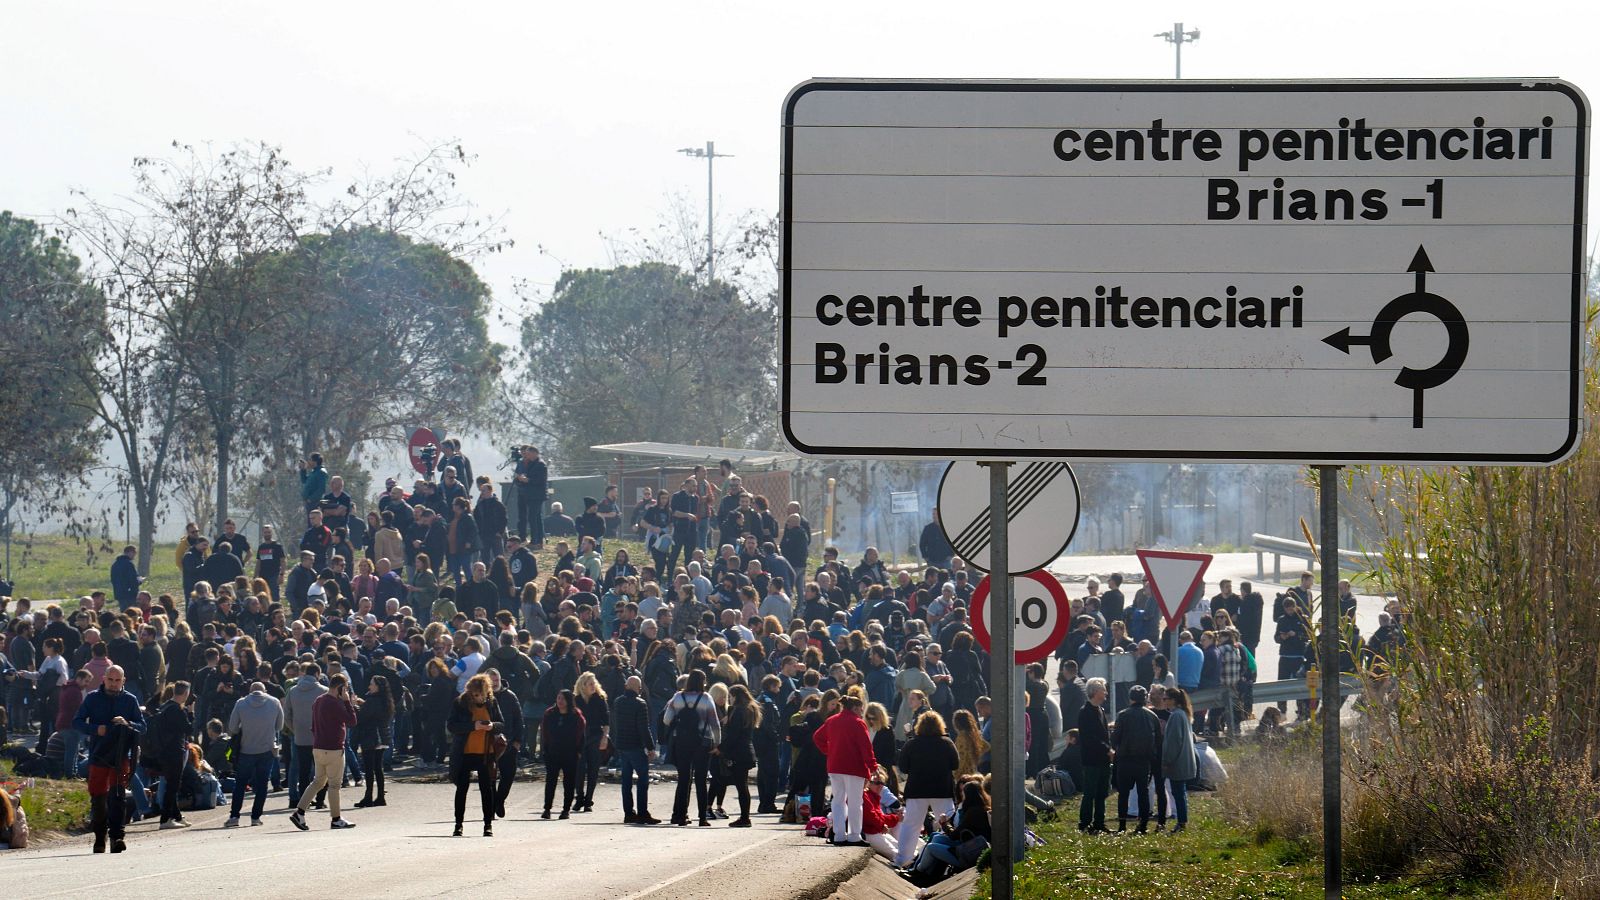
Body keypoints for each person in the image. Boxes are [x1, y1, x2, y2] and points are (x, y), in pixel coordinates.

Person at [72, 664, 146, 853]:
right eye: (110, 679)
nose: (113, 684)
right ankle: (99, 838)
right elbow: (77, 722)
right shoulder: (93, 698)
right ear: (104, 679)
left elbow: (143, 726)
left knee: (118, 797)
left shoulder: (130, 700)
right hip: (98, 755)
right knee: (98, 799)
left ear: (123, 681)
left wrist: (127, 723)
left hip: (120, 756)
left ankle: (117, 837)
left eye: (117, 680)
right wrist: (96, 729)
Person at [289, 672, 358, 832]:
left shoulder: (319, 700)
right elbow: (352, 721)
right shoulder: (335, 703)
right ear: (340, 688)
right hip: (333, 748)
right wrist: (348, 703)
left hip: (318, 747)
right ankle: (336, 819)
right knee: (334, 785)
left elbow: (313, 726)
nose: (346, 692)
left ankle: (299, 812)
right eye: (345, 689)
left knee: (318, 782)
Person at [895, 710, 960, 866]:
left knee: (911, 825)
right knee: (947, 824)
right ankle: (952, 859)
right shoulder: (947, 743)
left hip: (917, 790)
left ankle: (902, 859)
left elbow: (903, 767)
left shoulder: (912, 743)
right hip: (941, 790)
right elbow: (955, 764)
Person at [445, 673, 503, 837]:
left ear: (486, 692)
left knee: (487, 789)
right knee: (462, 789)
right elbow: (451, 726)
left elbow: (501, 724)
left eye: (478, 694)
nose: (475, 697)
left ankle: (487, 824)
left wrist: (492, 726)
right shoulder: (460, 702)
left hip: (485, 752)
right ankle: (458, 824)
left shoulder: (492, 703)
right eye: (472, 694)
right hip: (464, 752)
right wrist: (473, 726)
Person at [814, 693, 876, 847]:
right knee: (855, 802)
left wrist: (829, 751)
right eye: (861, 709)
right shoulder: (858, 723)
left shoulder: (832, 720)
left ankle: (839, 834)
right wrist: (873, 766)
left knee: (838, 801)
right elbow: (866, 748)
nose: (862, 712)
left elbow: (817, 737)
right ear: (855, 708)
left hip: (835, 766)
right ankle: (854, 835)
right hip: (854, 767)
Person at [663, 669, 721, 827]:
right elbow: (715, 723)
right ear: (703, 682)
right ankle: (702, 817)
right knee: (701, 781)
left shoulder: (677, 697)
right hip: (702, 743)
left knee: (683, 779)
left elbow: (666, 720)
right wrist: (717, 743)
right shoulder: (706, 698)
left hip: (681, 742)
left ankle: (680, 816)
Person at [225, 681, 283, 827]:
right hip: (267, 749)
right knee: (262, 785)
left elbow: (233, 728)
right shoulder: (274, 702)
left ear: (250, 691)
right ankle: (255, 817)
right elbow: (279, 726)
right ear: (265, 691)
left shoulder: (241, 703)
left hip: (246, 750)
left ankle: (234, 817)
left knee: (240, 784)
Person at [1111, 684, 1161, 834]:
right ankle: (1143, 824)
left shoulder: (1123, 715)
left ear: (1130, 698)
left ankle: (1122, 826)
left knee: (1123, 794)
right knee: (1143, 793)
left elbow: (1115, 738)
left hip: (1125, 760)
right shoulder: (1152, 716)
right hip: (1144, 761)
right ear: (1145, 698)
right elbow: (1158, 740)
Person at [153, 681, 195, 829]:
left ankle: (176, 816)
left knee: (172, 784)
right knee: (173, 786)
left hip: (163, 751)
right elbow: (189, 729)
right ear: (185, 693)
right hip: (174, 751)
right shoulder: (177, 710)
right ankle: (165, 819)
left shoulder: (164, 707)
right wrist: (191, 712)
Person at [540, 688, 585, 820]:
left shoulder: (576, 716)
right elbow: (545, 733)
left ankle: (566, 809)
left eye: (563, 699)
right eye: (558, 698)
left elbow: (581, 735)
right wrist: (546, 750)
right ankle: (547, 808)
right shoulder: (549, 714)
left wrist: (579, 752)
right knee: (551, 781)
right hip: (552, 753)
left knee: (569, 782)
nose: (560, 701)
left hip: (570, 753)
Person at [719, 683, 760, 827]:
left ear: (735, 696)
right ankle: (744, 817)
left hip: (738, 753)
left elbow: (733, 735)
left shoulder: (738, 711)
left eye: (730, 696)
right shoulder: (749, 710)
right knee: (742, 786)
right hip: (746, 751)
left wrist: (721, 748)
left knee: (741, 787)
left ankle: (744, 817)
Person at [352, 675, 395, 810]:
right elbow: (373, 713)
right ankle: (380, 796)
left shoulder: (373, 700)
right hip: (382, 736)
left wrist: (353, 705)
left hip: (371, 737)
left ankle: (368, 797)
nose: (369, 686)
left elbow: (361, 718)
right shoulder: (385, 700)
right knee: (378, 768)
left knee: (369, 768)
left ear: (377, 686)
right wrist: (363, 704)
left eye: (371, 684)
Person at [1075, 677, 1111, 834]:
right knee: (1090, 792)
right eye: (1103, 690)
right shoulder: (1085, 712)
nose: (1106, 693)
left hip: (1103, 759)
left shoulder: (1101, 711)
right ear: (1096, 692)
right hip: (1092, 759)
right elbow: (1090, 738)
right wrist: (1106, 749)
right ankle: (1085, 823)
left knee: (1102, 792)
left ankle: (1099, 822)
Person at [488, 669, 525, 819]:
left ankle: (499, 800)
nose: (495, 682)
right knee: (489, 777)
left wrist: (517, 742)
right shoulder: (483, 698)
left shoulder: (510, 696)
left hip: (508, 743)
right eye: (492, 680)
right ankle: (490, 808)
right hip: (488, 743)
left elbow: (519, 720)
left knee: (508, 775)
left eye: (496, 679)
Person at [1160, 687, 1198, 835]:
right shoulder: (1182, 714)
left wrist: (1166, 760)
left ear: (1173, 700)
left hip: (1178, 762)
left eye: (1165, 699)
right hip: (1184, 760)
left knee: (1178, 793)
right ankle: (1183, 821)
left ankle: (1182, 822)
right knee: (1179, 792)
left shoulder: (1176, 716)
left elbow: (1174, 742)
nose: (1163, 702)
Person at [573, 671, 610, 813]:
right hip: (579, 737)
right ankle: (579, 797)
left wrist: (605, 737)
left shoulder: (600, 699)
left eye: (594, 683)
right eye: (590, 684)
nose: (593, 686)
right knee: (579, 769)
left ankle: (588, 800)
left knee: (594, 769)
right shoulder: (576, 700)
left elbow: (606, 720)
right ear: (583, 685)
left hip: (595, 735)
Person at [512, 446, 549, 547]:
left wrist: (527, 480)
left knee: (533, 517)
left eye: (528, 454)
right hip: (529, 494)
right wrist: (520, 479)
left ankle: (535, 540)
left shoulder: (540, 465)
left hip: (537, 495)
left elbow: (541, 480)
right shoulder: (530, 463)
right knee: (534, 517)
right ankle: (537, 540)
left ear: (534, 453)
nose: (526, 456)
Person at [110, 545, 144, 610]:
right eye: (134, 552)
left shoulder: (115, 564)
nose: (135, 555)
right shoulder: (129, 564)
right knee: (132, 613)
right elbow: (133, 580)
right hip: (130, 595)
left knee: (124, 613)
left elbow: (113, 579)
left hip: (119, 594)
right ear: (130, 552)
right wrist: (140, 581)